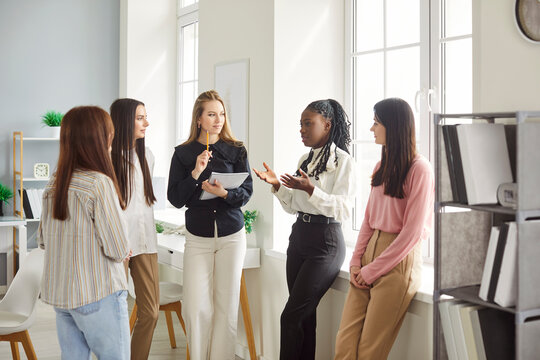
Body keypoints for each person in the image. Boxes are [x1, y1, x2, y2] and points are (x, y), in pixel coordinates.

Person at [253, 99, 357, 360]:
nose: (302, 129)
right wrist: (278, 186)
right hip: (299, 237)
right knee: (304, 318)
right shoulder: (305, 159)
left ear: (327, 124)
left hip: (326, 243)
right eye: (300, 124)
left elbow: (344, 209)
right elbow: (294, 207)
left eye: (308, 124)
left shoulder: (344, 162)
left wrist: (311, 189)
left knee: (291, 316)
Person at [333, 98, 434, 360]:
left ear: (395, 126)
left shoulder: (420, 170)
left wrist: (372, 270)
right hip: (369, 255)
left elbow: (411, 234)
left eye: (377, 123)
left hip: (398, 263)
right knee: (344, 343)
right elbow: (368, 220)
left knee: (370, 352)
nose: (371, 129)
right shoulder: (380, 167)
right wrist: (356, 263)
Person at [38, 106, 131, 360]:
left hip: (64, 298)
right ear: (99, 139)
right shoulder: (98, 184)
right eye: (109, 134)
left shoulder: (55, 182)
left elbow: (43, 240)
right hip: (98, 294)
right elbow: (117, 249)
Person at [167, 90, 253, 360]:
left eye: (222, 113)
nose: (218, 119)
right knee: (194, 307)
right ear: (199, 119)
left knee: (226, 306)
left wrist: (224, 194)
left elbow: (247, 192)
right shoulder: (183, 154)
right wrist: (194, 173)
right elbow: (175, 199)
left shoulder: (237, 149)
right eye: (212, 114)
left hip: (232, 235)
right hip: (198, 236)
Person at [110, 98, 159, 360]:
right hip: (116, 247)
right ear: (123, 121)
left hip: (146, 243)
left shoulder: (147, 156)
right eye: (140, 118)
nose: (146, 123)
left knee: (150, 311)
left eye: (145, 117)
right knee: (113, 315)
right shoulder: (106, 159)